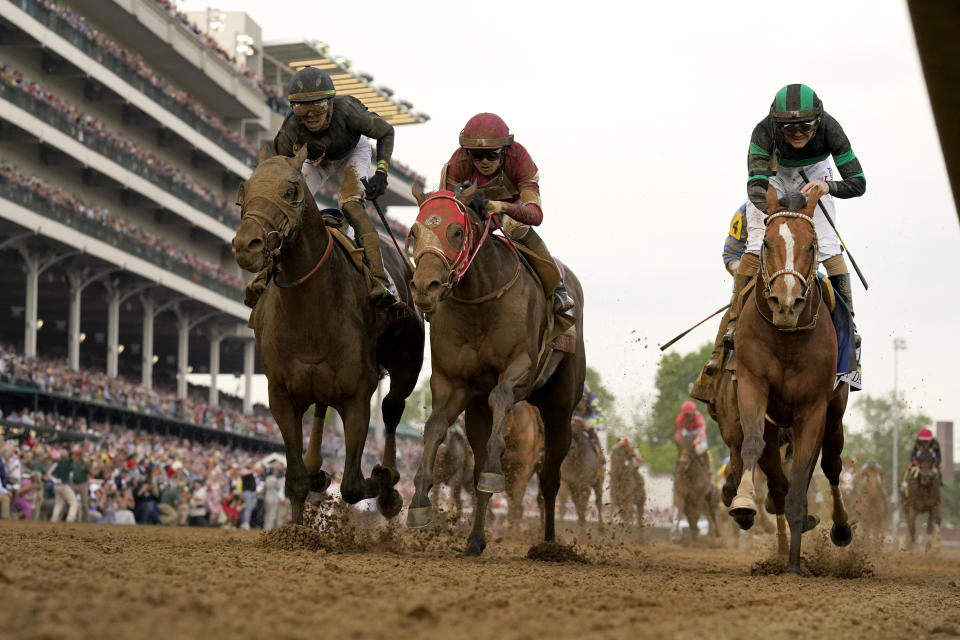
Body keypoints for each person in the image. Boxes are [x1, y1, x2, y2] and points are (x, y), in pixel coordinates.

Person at [720, 84, 866, 352]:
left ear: (819, 120)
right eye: (789, 128)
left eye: (806, 126)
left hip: (816, 174)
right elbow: (755, 187)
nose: (798, 133)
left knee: (830, 247)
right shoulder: (763, 132)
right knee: (755, 244)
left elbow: (858, 183)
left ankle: (849, 326)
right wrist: (776, 213)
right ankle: (734, 321)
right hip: (773, 176)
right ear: (777, 125)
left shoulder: (832, 129)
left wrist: (828, 187)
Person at [262, 66, 397, 305]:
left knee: (351, 206)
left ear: (331, 104)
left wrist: (382, 172)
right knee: (287, 202)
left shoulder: (349, 111)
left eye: (317, 107)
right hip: (317, 160)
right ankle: (264, 274)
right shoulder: (291, 126)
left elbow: (386, 131)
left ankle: (379, 278)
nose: (310, 116)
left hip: (353, 153)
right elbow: (280, 165)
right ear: (293, 109)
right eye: (302, 109)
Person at [442, 113, 574, 317]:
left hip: (511, 211)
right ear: (467, 154)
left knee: (515, 226)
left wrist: (503, 207)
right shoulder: (458, 161)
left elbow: (536, 215)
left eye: (492, 155)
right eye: (477, 156)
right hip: (474, 214)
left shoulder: (520, 158)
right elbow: (448, 209)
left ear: (504, 151)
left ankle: (558, 289)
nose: (484, 161)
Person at [675, 401, 709, 471]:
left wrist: (696, 441)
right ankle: (678, 466)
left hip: (698, 431)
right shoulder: (679, 418)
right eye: (686, 415)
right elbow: (678, 432)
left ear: (693, 413)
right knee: (682, 448)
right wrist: (680, 442)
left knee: (703, 446)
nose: (687, 417)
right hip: (687, 431)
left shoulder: (699, 417)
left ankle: (707, 467)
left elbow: (702, 431)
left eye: (689, 414)